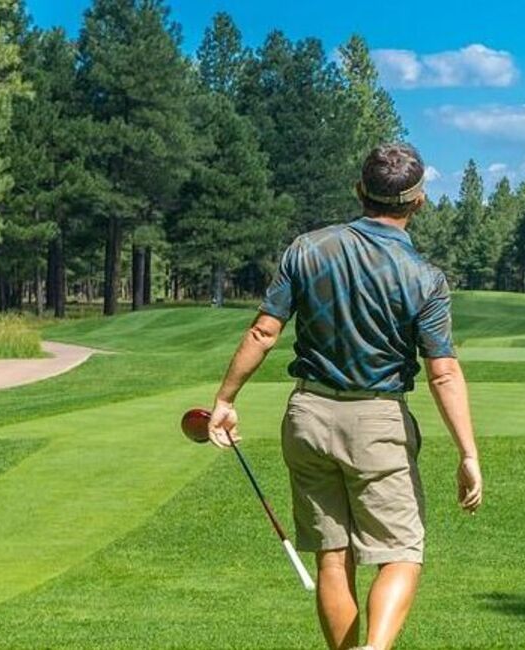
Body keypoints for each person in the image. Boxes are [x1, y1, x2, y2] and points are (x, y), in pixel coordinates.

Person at [206, 143, 482, 650]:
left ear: (360, 191)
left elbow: (263, 333)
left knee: (333, 556)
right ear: (418, 202)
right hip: (378, 424)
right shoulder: (425, 278)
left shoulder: (307, 248)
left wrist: (224, 399)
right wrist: (468, 453)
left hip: (307, 417)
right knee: (402, 551)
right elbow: (442, 373)